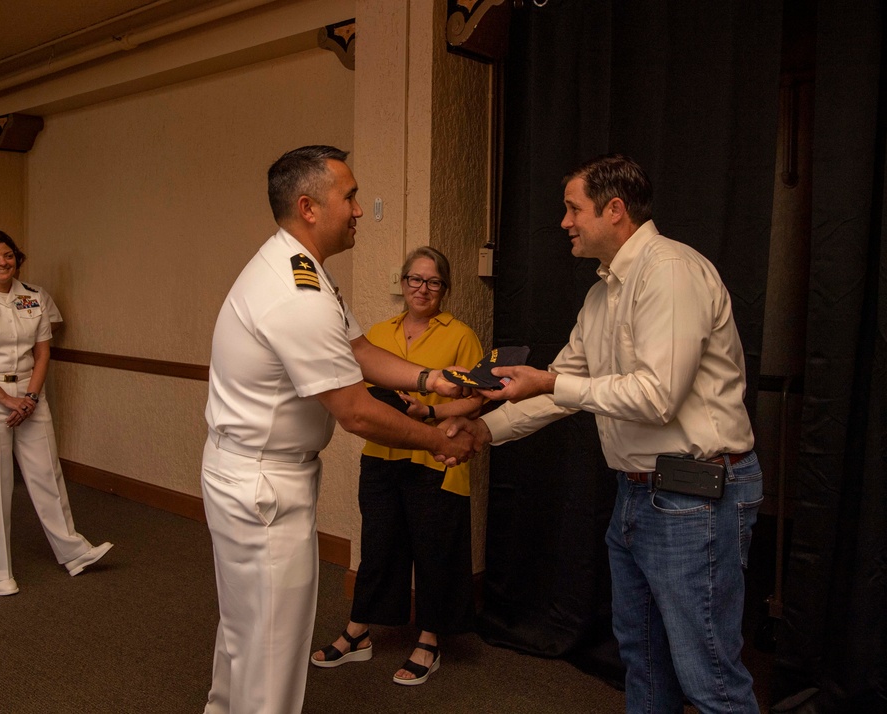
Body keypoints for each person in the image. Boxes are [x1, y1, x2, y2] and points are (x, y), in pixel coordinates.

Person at [445, 154, 763, 713]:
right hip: (636, 496)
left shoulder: (669, 271)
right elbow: (557, 388)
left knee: (709, 676)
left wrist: (552, 382)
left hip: (696, 496)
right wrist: (479, 433)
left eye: (573, 209)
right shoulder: (601, 295)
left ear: (614, 210)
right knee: (642, 660)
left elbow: (655, 396)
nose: (564, 221)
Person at [201, 145, 476, 714]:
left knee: (244, 632)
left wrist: (433, 377)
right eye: (348, 197)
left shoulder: (304, 271)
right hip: (263, 485)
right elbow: (353, 409)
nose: (358, 209)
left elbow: (358, 351)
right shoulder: (294, 292)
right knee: (272, 647)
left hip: (253, 472)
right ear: (308, 206)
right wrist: (436, 440)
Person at [310, 246, 484, 686]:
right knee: (379, 545)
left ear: (445, 288)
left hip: (437, 456)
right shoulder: (376, 334)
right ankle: (359, 629)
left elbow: (477, 397)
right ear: (402, 283)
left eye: (433, 281)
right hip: (382, 455)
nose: (422, 288)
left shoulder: (461, 334)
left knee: (434, 551)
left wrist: (429, 413)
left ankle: (428, 639)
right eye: (414, 279)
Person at [0, 230, 112, 597]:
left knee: (46, 474)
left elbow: (42, 353)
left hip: (30, 396)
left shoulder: (33, 297)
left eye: (7, 255)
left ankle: (73, 551)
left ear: (16, 257)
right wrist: (7, 400)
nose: (2, 263)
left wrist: (30, 397)